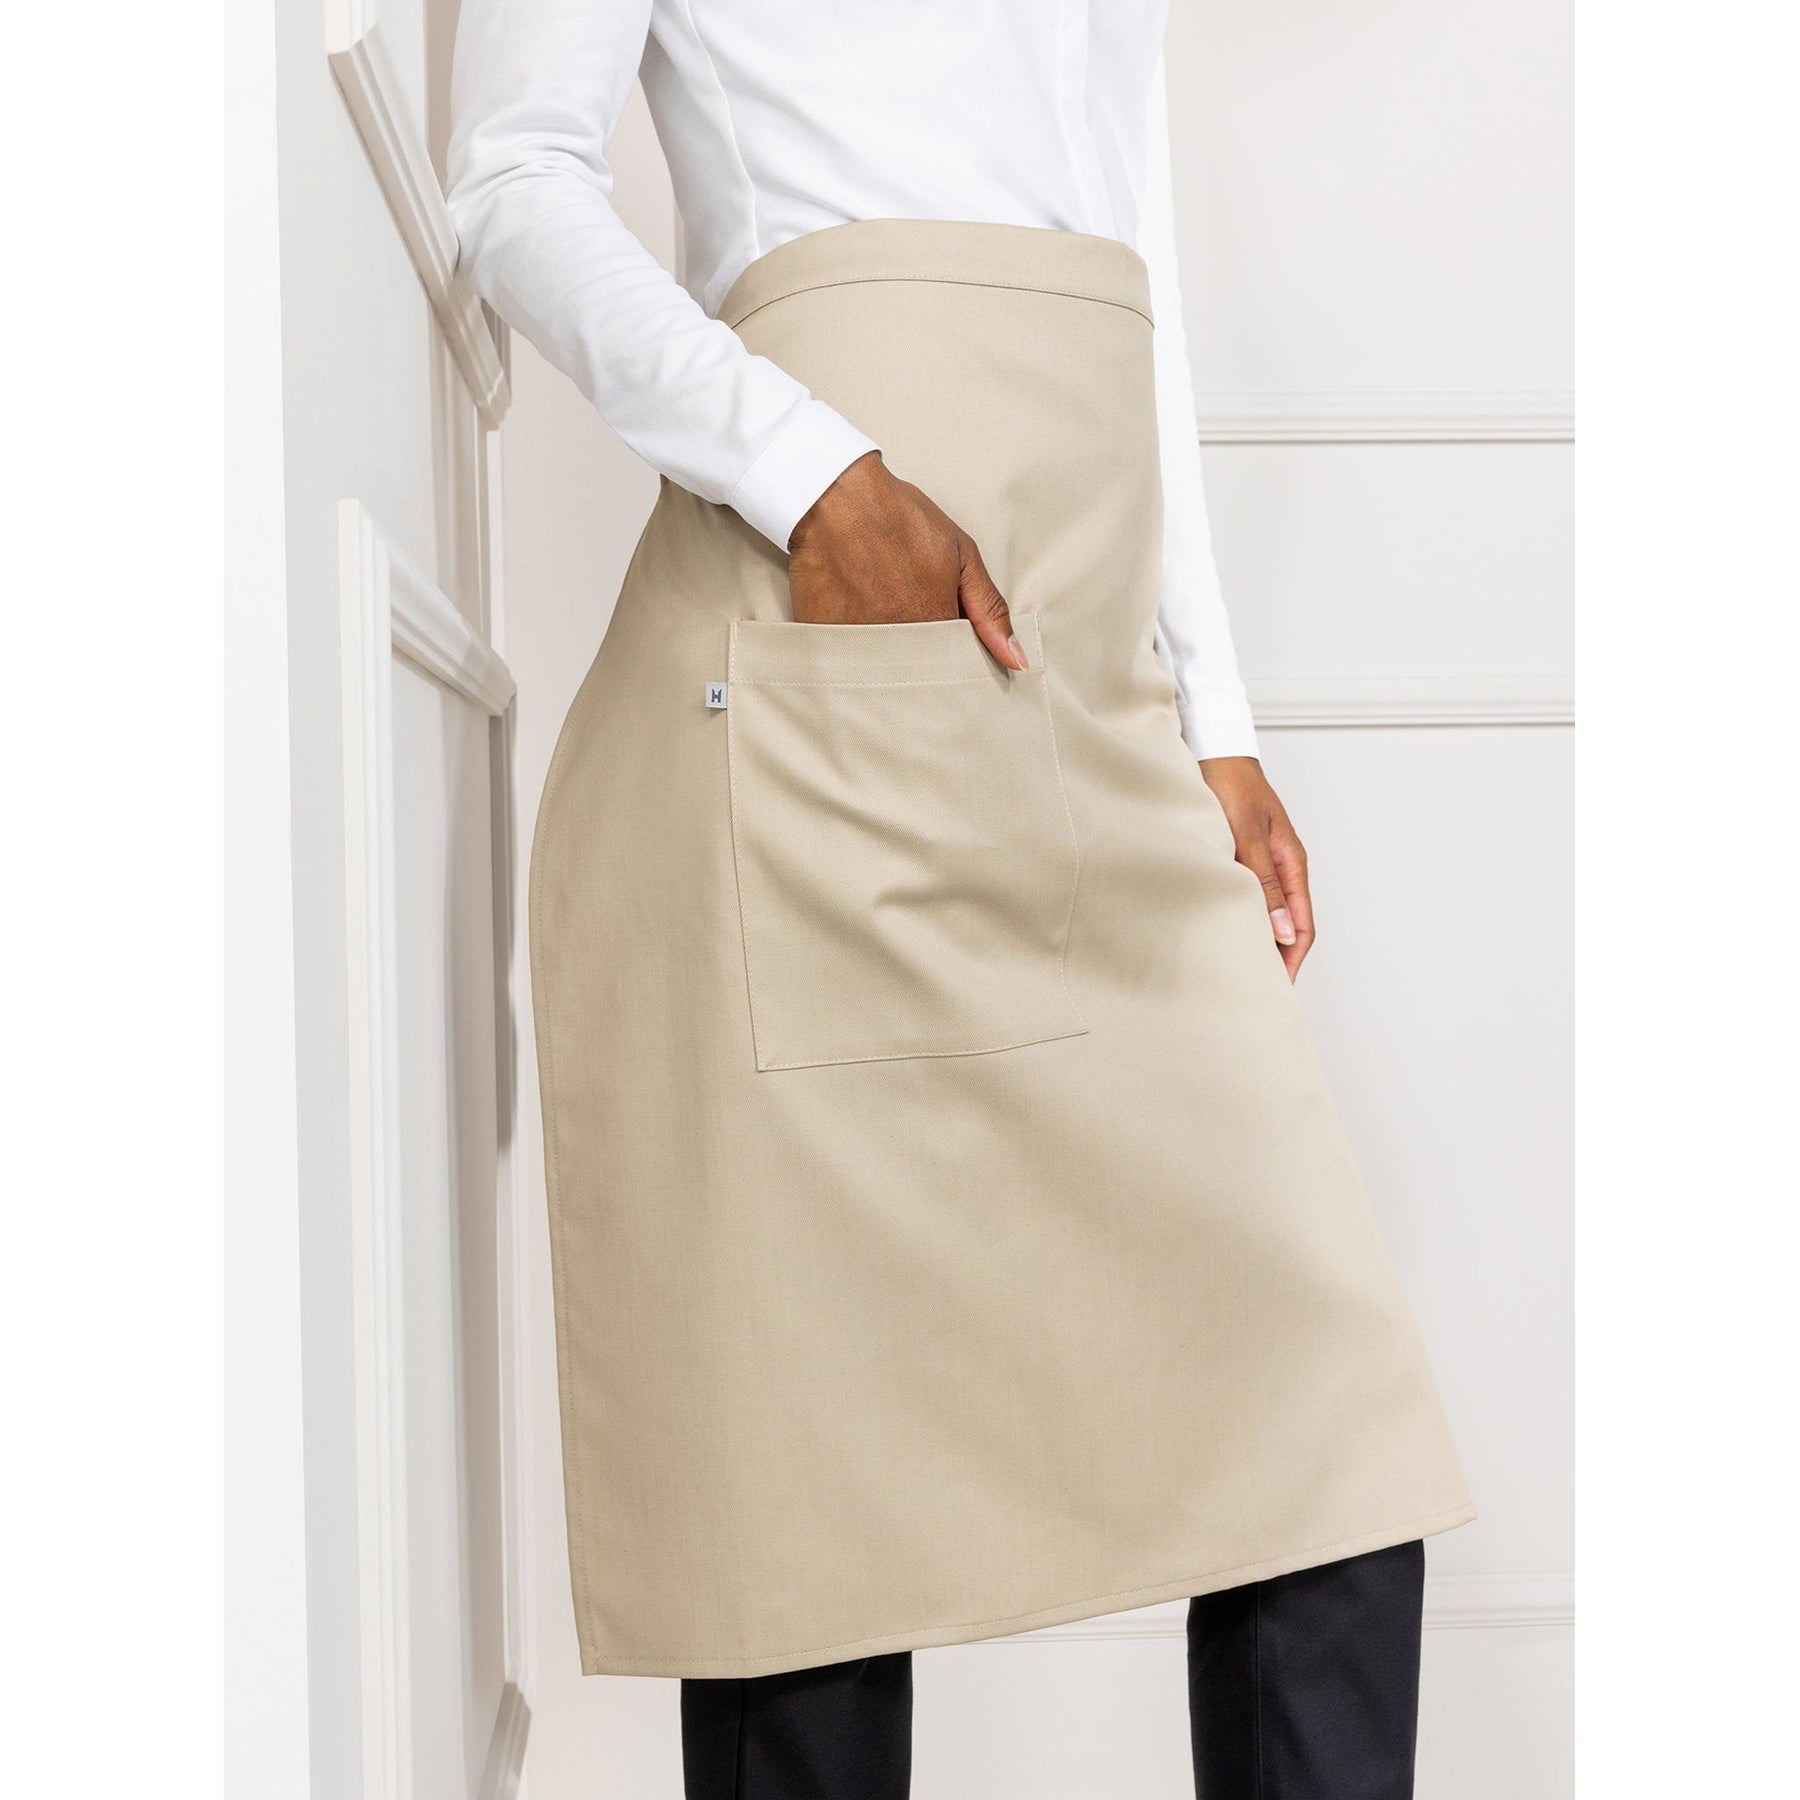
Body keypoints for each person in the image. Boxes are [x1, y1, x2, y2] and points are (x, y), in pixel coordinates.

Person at [446, 3, 1473, 1794]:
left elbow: (1127, 274)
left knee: (1325, 1460)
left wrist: (1212, 714)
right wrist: (813, 477)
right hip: (823, 637)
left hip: (1087, 663)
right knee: (813, 1525)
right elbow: (508, 178)